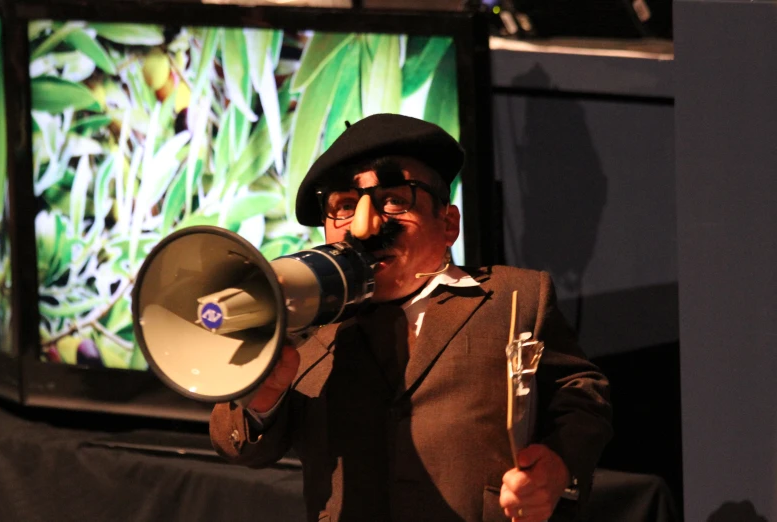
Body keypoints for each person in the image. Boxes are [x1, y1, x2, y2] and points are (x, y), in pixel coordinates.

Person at [209, 113, 612, 522]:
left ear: (448, 223)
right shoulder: (306, 328)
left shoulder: (514, 297)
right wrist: (262, 398)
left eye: (394, 200)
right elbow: (240, 446)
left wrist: (559, 465)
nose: (365, 227)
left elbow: (582, 394)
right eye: (345, 206)